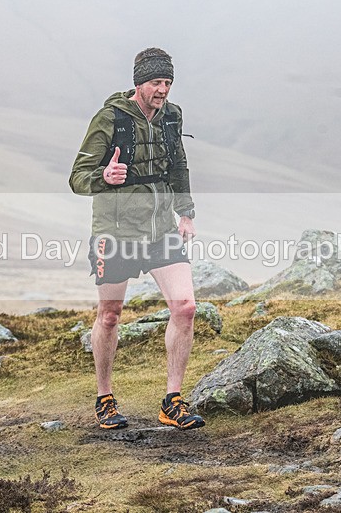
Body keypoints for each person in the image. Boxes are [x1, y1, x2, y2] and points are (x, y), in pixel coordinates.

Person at [69, 47, 205, 430]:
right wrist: (103, 178)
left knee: (186, 308)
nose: (162, 90)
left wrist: (187, 213)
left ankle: (172, 401)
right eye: (155, 82)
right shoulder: (109, 118)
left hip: (161, 226)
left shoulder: (172, 116)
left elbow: (178, 165)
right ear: (138, 83)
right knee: (110, 316)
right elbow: (77, 177)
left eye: (167, 82)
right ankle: (105, 398)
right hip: (115, 231)